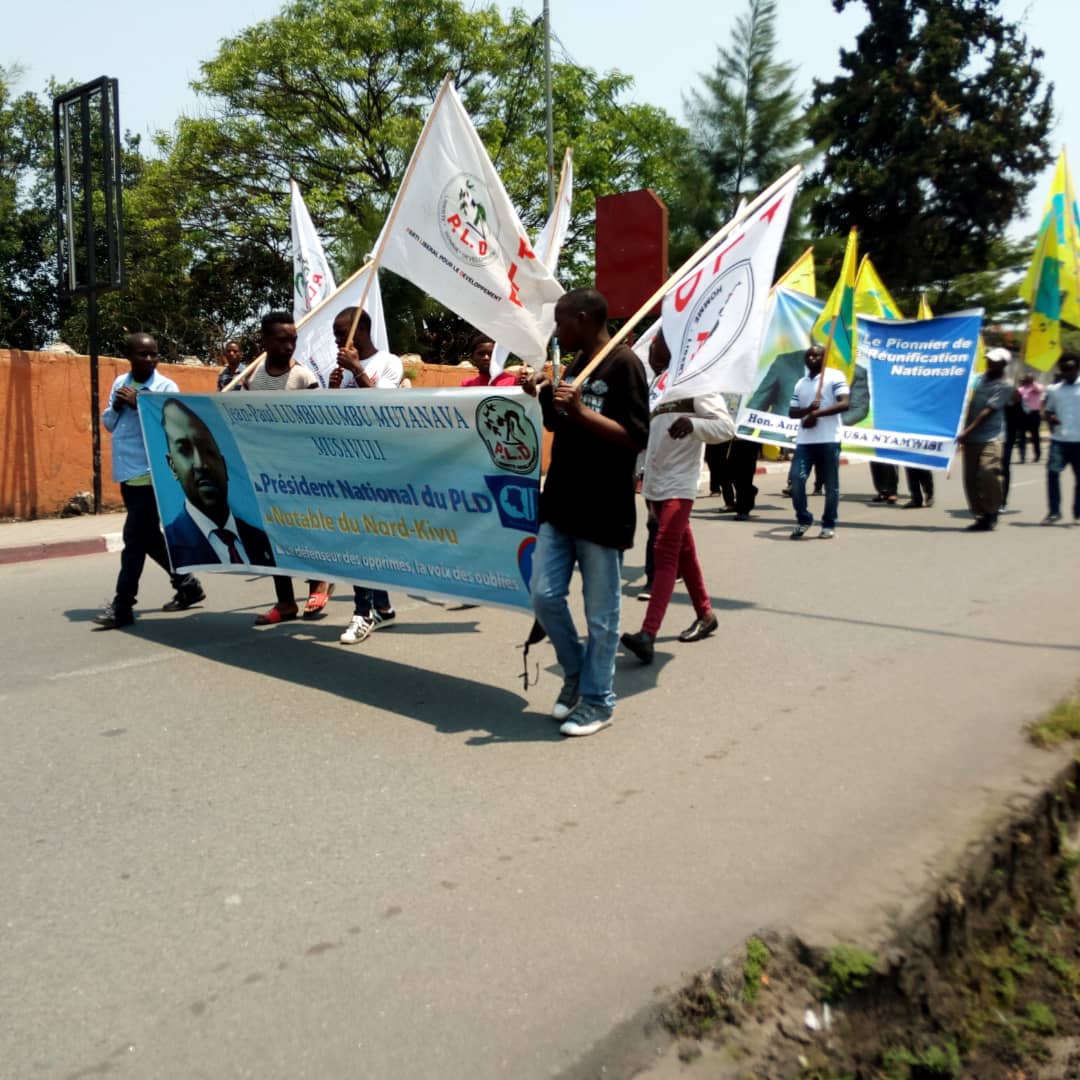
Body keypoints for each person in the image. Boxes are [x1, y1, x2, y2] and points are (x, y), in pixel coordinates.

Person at [522, 288, 649, 737]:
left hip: (602, 508)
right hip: (561, 503)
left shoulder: (624, 364)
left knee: (601, 615)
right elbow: (558, 423)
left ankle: (598, 702)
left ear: (582, 318)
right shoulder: (576, 365)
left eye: (561, 322)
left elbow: (635, 438)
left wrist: (579, 408)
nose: (557, 331)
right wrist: (542, 397)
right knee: (544, 594)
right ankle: (575, 673)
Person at [620, 329, 733, 665]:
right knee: (684, 552)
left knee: (665, 552)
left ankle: (648, 634)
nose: (651, 349)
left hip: (681, 484)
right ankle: (706, 615)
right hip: (654, 484)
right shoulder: (657, 387)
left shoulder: (697, 383)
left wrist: (693, 424)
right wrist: (638, 472)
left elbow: (726, 427)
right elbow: (650, 438)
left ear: (675, 350)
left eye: (656, 345)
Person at [93, 333, 205, 629]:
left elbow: (173, 428)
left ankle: (123, 605)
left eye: (153, 354)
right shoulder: (120, 383)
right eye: (142, 354)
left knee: (133, 539)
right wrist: (117, 406)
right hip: (127, 470)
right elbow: (107, 423)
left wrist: (140, 404)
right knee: (148, 537)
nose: (149, 359)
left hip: (151, 472)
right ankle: (187, 583)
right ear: (129, 356)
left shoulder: (165, 387)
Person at [327, 307, 402, 642]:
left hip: (376, 467)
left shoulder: (389, 362)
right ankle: (383, 607)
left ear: (359, 333)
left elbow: (379, 409)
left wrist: (356, 370)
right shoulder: (340, 371)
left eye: (341, 335)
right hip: (347, 466)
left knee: (359, 538)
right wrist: (331, 391)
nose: (337, 342)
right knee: (363, 537)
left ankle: (363, 613)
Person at [245, 311, 322, 624]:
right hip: (266, 472)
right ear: (265, 341)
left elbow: (317, 424)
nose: (290, 346)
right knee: (273, 537)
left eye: (294, 340)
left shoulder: (303, 378)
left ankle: (318, 584)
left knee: (306, 532)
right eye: (282, 340)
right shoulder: (251, 379)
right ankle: (285, 602)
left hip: (300, 472)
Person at [159, 398, 275, 567]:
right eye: (185, 450)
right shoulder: (173, 544)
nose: (201, 464)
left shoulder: (262, 540)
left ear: (224, 465)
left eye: (208, 451)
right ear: (172, 467)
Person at [788, 344, 850, 539]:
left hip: (829, 439)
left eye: (817, 356)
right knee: (797, 480)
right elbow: (792, 412)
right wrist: (808, 411)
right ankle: (804, 518)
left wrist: (817, 413)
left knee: (831, 486)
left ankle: (829, 523)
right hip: (805, 441)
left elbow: (844, 403)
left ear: (824, 358)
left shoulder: (835, 376)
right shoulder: (801, 383)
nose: (812, 359)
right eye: (809, 356)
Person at [956, 346, 1012, 532]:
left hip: (991, 436)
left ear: (1003, 364)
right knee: (970, 479)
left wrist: (967, 431)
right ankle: (980, 516)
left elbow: (988, 412)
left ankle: (993, 510)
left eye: (994, 360)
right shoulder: (978, 379)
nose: (989, 362)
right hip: (970, 437)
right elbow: (962, 398)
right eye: (988, 359)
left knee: (988, 472)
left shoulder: (1005, 385)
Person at [1041, 352, 1080, 525]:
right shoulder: (1054, 390)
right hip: (1059, 440)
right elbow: (1047, 410)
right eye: (1064, 369)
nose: (1067, 372)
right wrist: (1050, 417)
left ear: (1077, 367)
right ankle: (1054, 512)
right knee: (1052, 473)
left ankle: (1078, 513)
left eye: (1070, 368)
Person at [1017, 372, 1045, 464]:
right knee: (1022, 436)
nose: (1028, 380)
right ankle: (1022, 456)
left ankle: (1037, 455)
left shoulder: (1037, 387)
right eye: (1027, 378)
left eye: (1030, 378)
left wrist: (1033, 384)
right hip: (1023, 414)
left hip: (1034, 414)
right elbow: (1017, 397)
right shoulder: (1021, 389)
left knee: (1035, 435)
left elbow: (1040, 390)